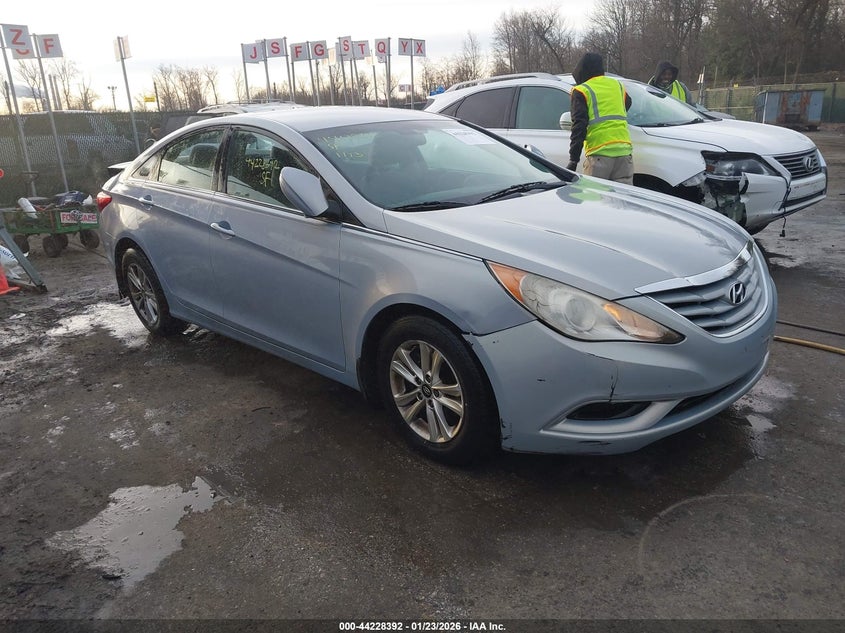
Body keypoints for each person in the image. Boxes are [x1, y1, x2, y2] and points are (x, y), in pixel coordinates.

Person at [567, 52, 633, 185]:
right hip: (624, 152)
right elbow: (628, 103)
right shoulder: (617, 85)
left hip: (599, 154)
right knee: (623, 202)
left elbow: (579, 125)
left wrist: (573, 160)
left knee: (595, 201)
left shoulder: (581, 90)